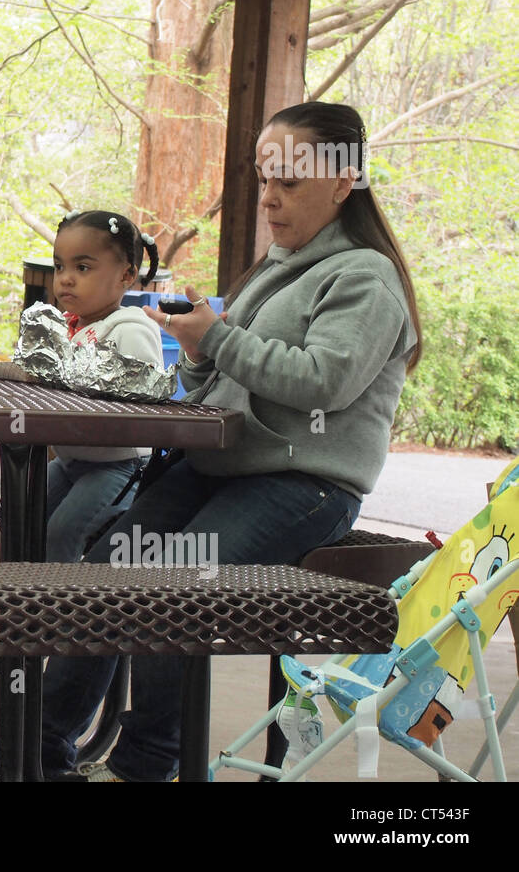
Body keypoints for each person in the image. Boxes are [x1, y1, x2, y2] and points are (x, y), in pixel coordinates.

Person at [41, 101, 422, 780]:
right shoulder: (278, 264)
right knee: (104, 571)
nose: (270, 197)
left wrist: (216, 336)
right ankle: (37, 747)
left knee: (173, 584)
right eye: (263, 178)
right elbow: (216, 375)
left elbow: (324, 381)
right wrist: (197, 346)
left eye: (289, 182)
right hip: (215, 467)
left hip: (304, 486)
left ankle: (150, 763)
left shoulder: (366, 275)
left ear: (344, 183)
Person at [45, 210, 163, 564]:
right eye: (59, 267)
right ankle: (23, 598)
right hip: (71, 460)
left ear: (126, 275)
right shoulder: (69, 328)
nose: (65, 279)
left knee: (63, 532)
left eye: (82, 268)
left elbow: (138, 401)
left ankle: (61, 612)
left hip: (117, 465)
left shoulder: (130, 327)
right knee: (20, 511)